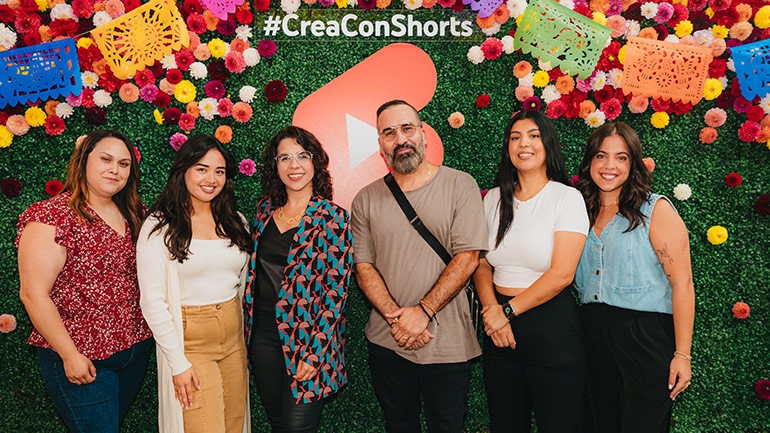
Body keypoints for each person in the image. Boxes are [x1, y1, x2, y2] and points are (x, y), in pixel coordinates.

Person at [351, 100, 487, 433]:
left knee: (447, 426)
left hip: (449, 341)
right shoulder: (365, 199)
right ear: (381, 145)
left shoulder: (461, 185)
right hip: (388, 340)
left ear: (423, 134)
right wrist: (398, 319)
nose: (400, 139)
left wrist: (422, 312)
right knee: (399, 425)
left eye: (407, 128)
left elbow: (468, 256)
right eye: (389, 132)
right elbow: (363, 266)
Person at [16, 130, 153, 432]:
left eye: (123, 163)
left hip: (133, 352)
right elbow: (33, 294)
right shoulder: (52, 215)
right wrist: (69, 355)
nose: (114, 170)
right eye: (105, 159)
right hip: (82, 359)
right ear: (83, 160)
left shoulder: (134, 212)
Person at [473, 109, 589, 433]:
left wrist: (507, 312)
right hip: (499, 331)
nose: (524, 144)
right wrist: (491, 309)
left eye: (534, 136)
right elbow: (481, 262)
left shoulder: (567, 199)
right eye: (515, 137)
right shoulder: (493, 200)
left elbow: (562, 274)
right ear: (508, 148)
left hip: (551, 326)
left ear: (547, 144)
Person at [574, 122, 694, 433]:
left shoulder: (655, 210)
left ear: (634, 163)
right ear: (589, 162)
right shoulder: (577, 212)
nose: (609, 166)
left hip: (645, 335)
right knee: (598, 423)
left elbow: (682, 284)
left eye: (621, 157)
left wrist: (682, 354)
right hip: (591, 334)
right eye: (601, 156)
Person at [136, 135, 252, 433]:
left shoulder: (235, 221)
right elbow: (152, 300)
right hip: (191, 344)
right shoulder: (160, 226)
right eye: (201, 169)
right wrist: (178, 363)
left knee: (233, 425)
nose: (211, 179)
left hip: (233, 340)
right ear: (183, 170)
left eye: (220, 171)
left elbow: (240, 284)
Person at [243, 126, 352, 433]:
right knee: (279, 423)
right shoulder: (264, 211)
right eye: (285, 158)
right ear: (274, 166)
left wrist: (314, 354)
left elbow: (335, 293)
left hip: (307, 341)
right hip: (262, 338)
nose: (294, 166)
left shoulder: (333, 217)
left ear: (315, 162)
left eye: (303, 156)